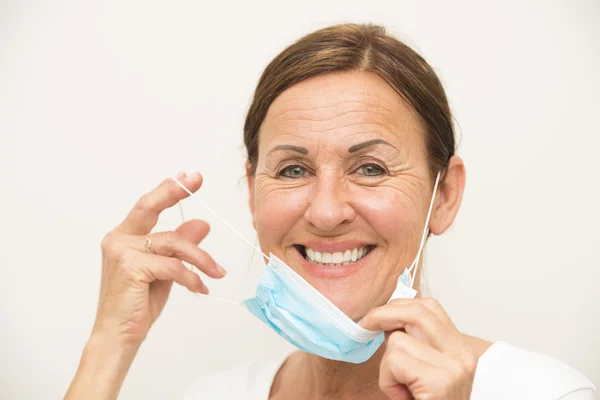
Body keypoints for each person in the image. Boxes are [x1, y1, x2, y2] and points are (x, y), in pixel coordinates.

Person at [65, 23, 595, 400]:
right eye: (292, 170)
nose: (324, 211)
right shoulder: (211, 395)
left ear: (446, 195)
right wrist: (110, 343)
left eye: (370, 168)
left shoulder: (544, 392)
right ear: (252, 195)